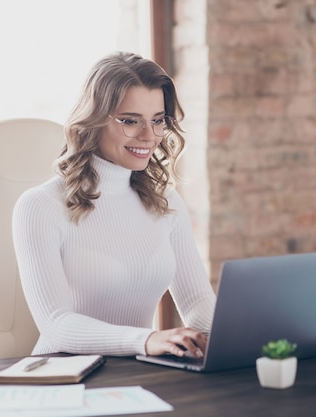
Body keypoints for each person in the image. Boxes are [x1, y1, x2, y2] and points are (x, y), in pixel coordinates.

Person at [12, 51, 216, 360]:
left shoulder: (166, 203)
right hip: (62, 376)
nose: (149, 136)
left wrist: (254, 335)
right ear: (92, 121)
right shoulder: (40, 206)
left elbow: (198, 303)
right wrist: (147, 340)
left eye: (158, 121)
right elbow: (56, 326)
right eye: (130, 121)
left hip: (139, 371)